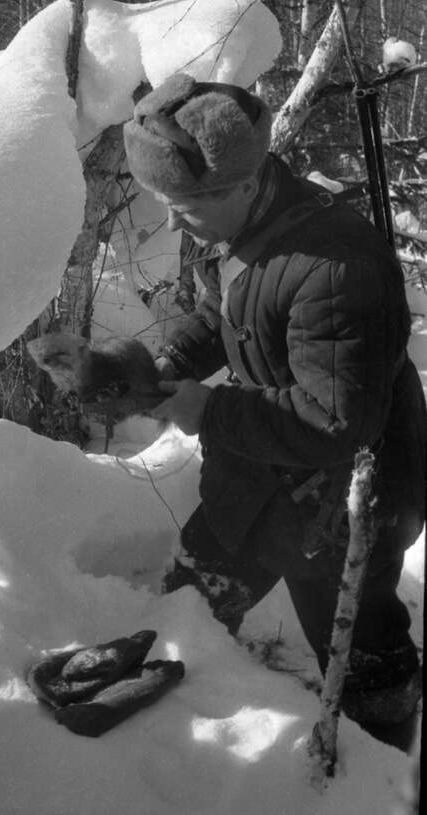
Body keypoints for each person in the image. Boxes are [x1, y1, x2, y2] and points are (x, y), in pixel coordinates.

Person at [122, 72, 425, 750]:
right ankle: (159, 736)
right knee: (189, 600)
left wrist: (212, 411)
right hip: (267, 471)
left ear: (244, 183)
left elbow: (335, 420)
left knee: (358, 640)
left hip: (351, 495)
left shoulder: (333, 266)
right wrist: (173, 362)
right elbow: (231, 311)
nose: (172, 220)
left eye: (186, 203)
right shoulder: (253, 227)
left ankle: (381, 769)